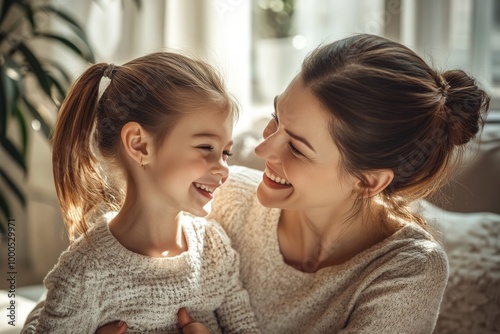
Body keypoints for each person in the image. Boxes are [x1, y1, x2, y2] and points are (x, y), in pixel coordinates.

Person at [24, 34, 490, 333]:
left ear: (368, 180)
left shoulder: (407, 270)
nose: (263, 152)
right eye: (275, 120)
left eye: (298, 147)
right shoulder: (216, 199)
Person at [21, 52, 259, 333]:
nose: (223, 169)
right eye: (206, 147)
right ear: (139, 145)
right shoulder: (84, 272)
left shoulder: (214, 249)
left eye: (226, 153)